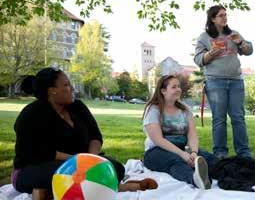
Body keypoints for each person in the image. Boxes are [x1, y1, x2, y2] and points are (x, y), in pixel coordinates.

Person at [12, 67, 157, 198]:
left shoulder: (77, 107)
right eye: (67, 85)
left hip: (81, 163)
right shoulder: (31, 115)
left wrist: (92, 160)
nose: (73, 88)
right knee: (69, 174)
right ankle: (118, 187)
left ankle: (53, 192)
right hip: (35, 167)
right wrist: (79, 161)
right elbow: (39, 153)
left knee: (116, 167)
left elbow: (95, 136)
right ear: (52, 90)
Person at [142, 75, 255, 190]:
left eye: (179, 86)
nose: (178, 89)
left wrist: (193, 152)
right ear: (163, 91)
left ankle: (250, 172)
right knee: (176, 162)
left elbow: (192, 134)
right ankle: (196, 179)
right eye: (174, 87)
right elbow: (158, 140)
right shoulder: (153, 109)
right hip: (156, 152)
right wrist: (183, 155)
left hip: (182, 148)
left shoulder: (184, 109)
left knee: (212, 160)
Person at [193, 5, 254, 159]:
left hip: (236, 82)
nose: (225, 17)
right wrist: (210, 54)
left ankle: (244, 154)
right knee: (219, 119)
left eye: (226, 15)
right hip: (215, 82)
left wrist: (240, 42)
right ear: (213, 19)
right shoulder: (204, 37)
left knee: (238, 118)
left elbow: (249, 50)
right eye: (221, 15)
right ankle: (220, 154)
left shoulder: (233, 34)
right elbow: (198, 59)